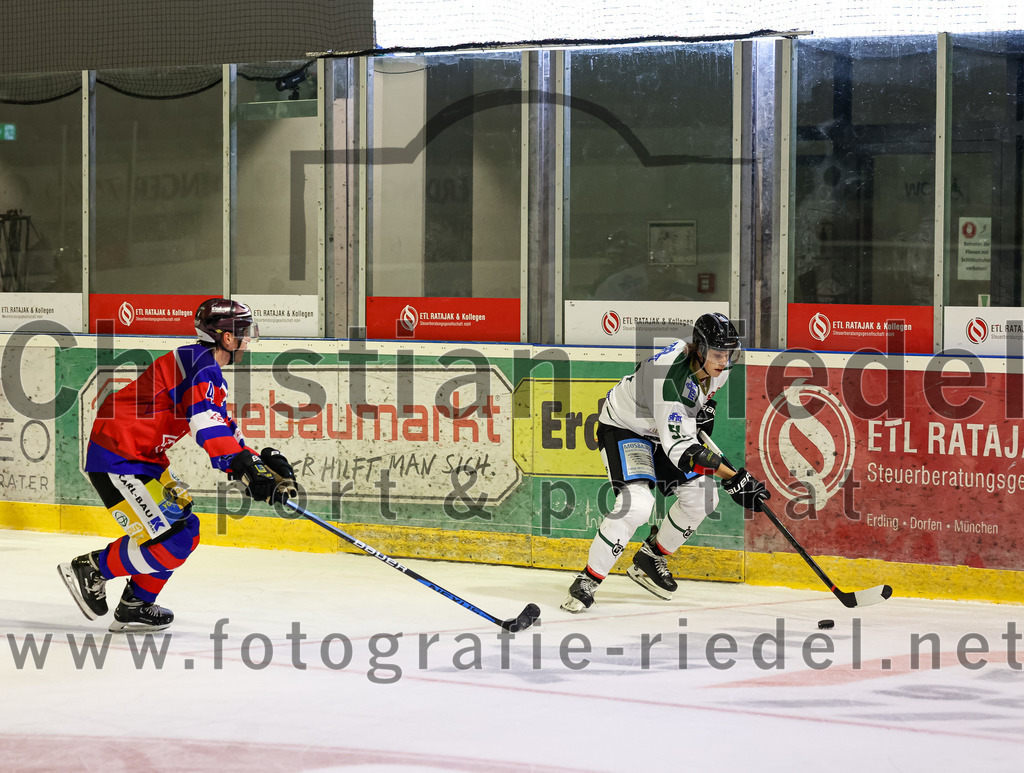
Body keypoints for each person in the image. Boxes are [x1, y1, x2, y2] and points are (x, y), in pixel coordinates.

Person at [58, 298, 298, 633]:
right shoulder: (199, 365)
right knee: (170, 540)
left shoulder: (199, 362)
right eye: (243, 332)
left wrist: (260, 465)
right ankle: (93, 568)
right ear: (226, 338)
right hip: (119, 457)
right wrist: (245, 466)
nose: (248, 339)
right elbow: (206, 425)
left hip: (143, 459)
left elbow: (223, 426)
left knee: (186, 531)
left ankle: (135, 604)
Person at [561, 311, 770, 613]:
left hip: (663, 432)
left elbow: (700, 405)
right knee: (637, 505)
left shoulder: (717, 364)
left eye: (729, 353)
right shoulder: (671, 378)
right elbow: (683, 452)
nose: (724, 361)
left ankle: (650, 556)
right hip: (627, 427)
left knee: (703, 497)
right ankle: (588, 580)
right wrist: (733, 478)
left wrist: (704, 409)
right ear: (699, 348)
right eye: (718, 354)